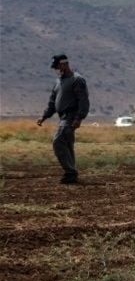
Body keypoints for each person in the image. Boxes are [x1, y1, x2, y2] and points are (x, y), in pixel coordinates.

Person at [37, 54, 90, 184]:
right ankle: (71, 174)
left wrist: (79, 118)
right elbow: (52, 102)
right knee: (67, 145)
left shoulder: (77, 80)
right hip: (62, 118)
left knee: (58, 142)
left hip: (70, 117)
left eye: (58, 66)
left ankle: (70, 172)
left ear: (65, 64)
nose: (57, 69)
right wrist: (44, 116)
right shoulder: (58, 82)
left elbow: (83, 101)